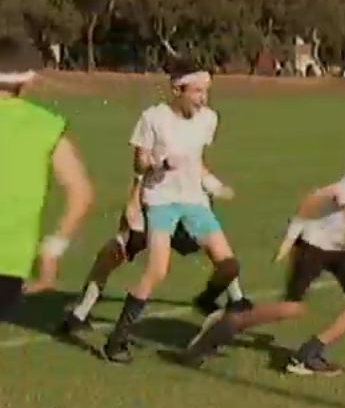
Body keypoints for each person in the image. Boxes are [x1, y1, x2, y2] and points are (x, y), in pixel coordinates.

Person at [181, 134, 345, 375]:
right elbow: (317, 197)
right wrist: (290, 237)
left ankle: (308, 354)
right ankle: (225, 325)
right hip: (314, 243)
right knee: (292, 309)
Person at [100, 61, 241, 364]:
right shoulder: (153, 118)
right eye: (197, 91)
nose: (203, 98)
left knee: (229, 266)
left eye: (206, 91)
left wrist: (214, 185)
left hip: (194, 201)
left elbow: (198, 161)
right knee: (157, 271)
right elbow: (139, 163)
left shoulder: (209, 119)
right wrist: (161, 164)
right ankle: (117, 340)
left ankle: (205, 301)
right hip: (161, 200)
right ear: (177, 90)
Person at [57, 173, 252, 337]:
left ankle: (234, 300)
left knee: (218, 252)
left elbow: (189, 164)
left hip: (175, 208)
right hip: (161, 205)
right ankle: (82, 316)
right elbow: (144, 165)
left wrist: (214, 185)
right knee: (117, 253)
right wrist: (134, 202)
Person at [0, 35, 94, 321]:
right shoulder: (47, 125)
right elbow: (81, 194)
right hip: (10, 264)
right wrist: (52, 249)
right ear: (27, 81)